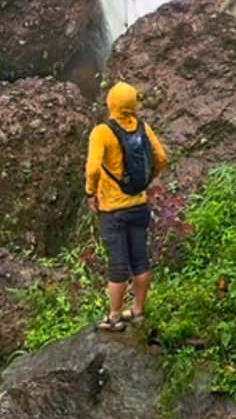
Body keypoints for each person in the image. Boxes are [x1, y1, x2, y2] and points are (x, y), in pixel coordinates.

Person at [85, 80, 167, 332]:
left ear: (111, 103)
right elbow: (161, 157)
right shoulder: (143, 127)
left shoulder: (102, 131)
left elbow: (93, 168)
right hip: (139, 206)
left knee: (118, 264)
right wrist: (145, 182)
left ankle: (114, 317)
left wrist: (90, 192)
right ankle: (139, 311)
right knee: (140, 260)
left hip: (113, 209)